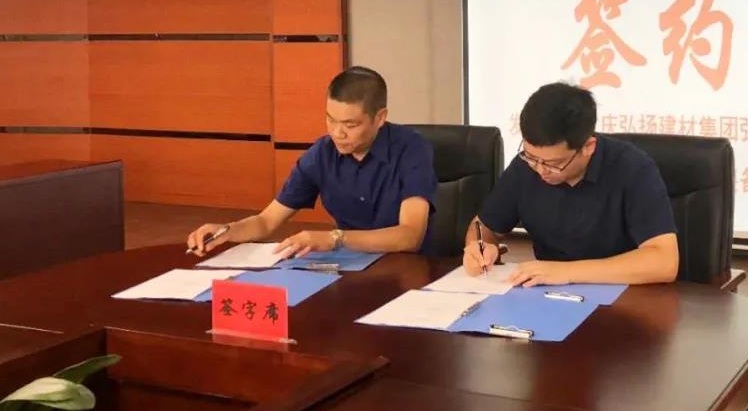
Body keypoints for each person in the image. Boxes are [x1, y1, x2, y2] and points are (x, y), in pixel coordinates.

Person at [187, 66, 436, 259]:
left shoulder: (412, 149)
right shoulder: (321, 154)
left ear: (380, 118)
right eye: (331, 120)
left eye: (350, 125)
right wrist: (226, 230)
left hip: (406, 269)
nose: (337, 133)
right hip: (348, 266)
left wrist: (335, 238)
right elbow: (266, 221)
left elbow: (410, 235)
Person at [463, 82, 678, 285]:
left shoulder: (632, 168)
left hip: (624, 296)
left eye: (554, 164)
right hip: (547, 295)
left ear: (588, 147)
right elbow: (483, 226)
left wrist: (566, 272)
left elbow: (664, 261)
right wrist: (478, 248)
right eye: (531, 157)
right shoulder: (525, 167)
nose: (540, 170)